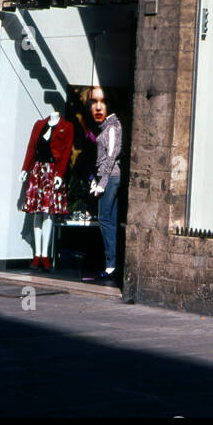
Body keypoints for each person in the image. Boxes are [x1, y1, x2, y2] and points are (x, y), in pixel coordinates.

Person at [83, 87, 123, 286]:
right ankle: (111, 263)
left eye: (102, 102)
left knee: (106, 219)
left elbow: (112, 155)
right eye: (94, 103)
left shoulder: (114, 127)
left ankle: (111, 264)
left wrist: (102, 183)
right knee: (110, 220)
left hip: (111, 178)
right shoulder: (106, 127)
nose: (98, 107)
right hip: (106, 177)